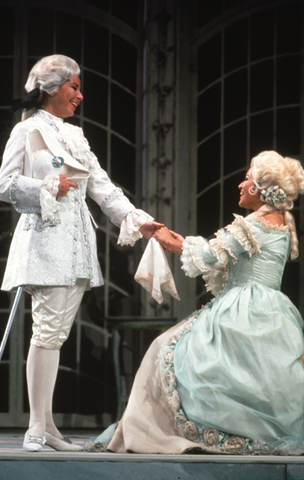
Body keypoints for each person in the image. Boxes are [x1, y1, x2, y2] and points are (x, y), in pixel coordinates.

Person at [86, 151, 304, 455]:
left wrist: (164, 237)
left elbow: (208, 256)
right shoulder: (280, 222)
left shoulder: (253, 225)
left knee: (166, 350)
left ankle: (165, 430)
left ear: (258, 187)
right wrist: (177, 240)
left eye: (246, 178)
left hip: (243, 310)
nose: (240, 184)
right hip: (272, 311)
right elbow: (218, 252)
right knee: (259, 379)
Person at [0, 54, 163, 452]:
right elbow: (5, 185)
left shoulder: (75, 136)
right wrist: (44, 189)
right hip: (44, 242)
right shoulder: (28, 131)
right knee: (47, 331)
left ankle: (48, 428)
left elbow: (102, 187)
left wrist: (138, 220)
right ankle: (36, 426)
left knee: (55, 334)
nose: (80, 94)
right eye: (74, 86)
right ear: (52, 88)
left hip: (76, 246)